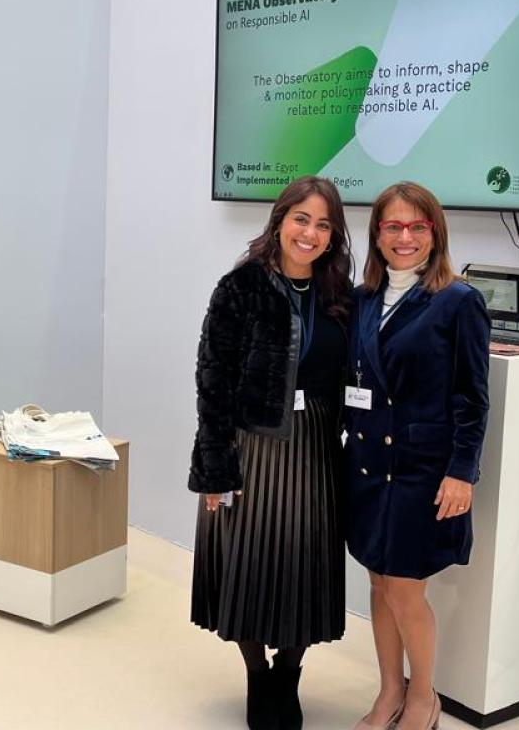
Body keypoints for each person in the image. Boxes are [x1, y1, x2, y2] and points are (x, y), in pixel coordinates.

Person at [189, 175, 354, 730]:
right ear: (280, 221)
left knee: (304, 568)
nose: (309, 233)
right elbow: (212, 382)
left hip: (315, 449)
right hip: (253, 447)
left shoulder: (339, 296)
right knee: (252, 567)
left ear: (333, 237)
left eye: (323, 224)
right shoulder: (239, 289)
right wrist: (215, 468)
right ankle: (259, 675)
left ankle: (290, 671)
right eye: (301, 219)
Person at [343, 182, 490, 730]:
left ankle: (424, 697)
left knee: (406, 588)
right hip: (365, 469)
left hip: (421, 471)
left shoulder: (458, 301)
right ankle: (389, 692)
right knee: (379, 583)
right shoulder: (361, 301)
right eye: (393, 227)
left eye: (417, 227)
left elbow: (472, 398)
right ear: (377, 235)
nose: (405, 237)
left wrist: (461, 471)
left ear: (435, 233)